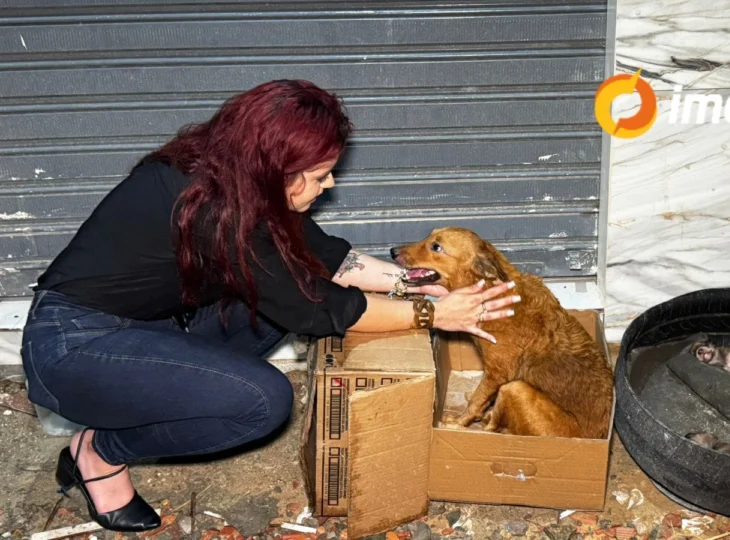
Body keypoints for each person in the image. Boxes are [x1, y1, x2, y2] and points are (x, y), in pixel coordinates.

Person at [19, 80, 520, 532]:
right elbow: (317, 308)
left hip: (153, 325)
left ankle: (139, 411)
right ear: (277, 168)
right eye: (321, 175)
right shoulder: (212, 204)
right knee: (262, 402)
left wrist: (416, 284)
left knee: (268, 304)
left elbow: (326, 260)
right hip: (75, 345)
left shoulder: (240, 181)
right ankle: (101, 451)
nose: (330, 186)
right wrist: (435, 315)